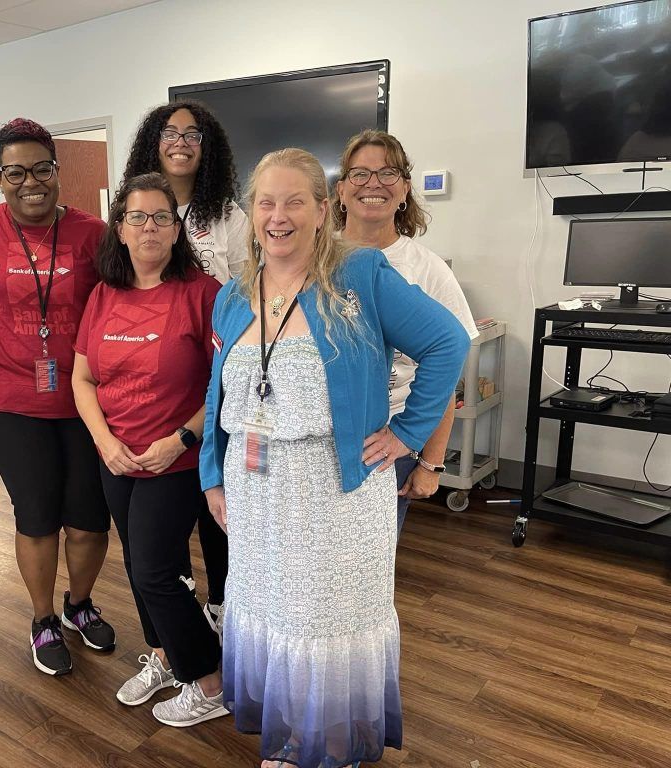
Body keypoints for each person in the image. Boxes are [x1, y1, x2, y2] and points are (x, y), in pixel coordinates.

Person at [200, 148, 469, 767]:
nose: (278, 215)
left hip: (337, 495)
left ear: (324, 210)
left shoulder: (361, 275)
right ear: (251, 212)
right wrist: (213, 474)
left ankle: (333, 746)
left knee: (325, 623)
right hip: (257, 491)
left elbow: (447, 342)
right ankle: (295, 735)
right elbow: (221, 391)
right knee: (275, 615)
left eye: (295, 200)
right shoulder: (235, 295)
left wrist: (410, 434)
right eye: (266, 202)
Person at [0, 118, 115, 677]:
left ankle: (79, 606)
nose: (30, 181)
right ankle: (42, 620)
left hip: (88, 401)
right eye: (16, 172)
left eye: (41, 169)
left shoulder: (92, 233)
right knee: (36, 516)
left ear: (57, 171)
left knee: (88, 519)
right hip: (9, 401)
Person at [72, 172, 225, 726]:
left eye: (162, 216)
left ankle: (210, 679)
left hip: (178, 457)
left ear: (177, 227)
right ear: (120, 228)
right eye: (137, 216)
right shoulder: (103, 295)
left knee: (156, 570)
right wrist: (105, 441)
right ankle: (163, 656)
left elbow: (224, 385)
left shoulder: (203, 293)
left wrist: (180, 438)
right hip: (118, 456)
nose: (150, 227)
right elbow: (82, 379)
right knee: (139, 562)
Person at [122, 99, 250, 634]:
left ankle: (222, 606)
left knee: (215, 502)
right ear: (154, 142)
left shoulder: (231, 217)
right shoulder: (133, 210)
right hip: (159, 385)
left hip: (217, 377)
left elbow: (249, 294)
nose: (180, 142)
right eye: (169, 133)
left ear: (207, 145)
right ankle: (179, 604)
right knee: (165, 513)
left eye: (192, 133)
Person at [330, 129, 478, 532]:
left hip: (387, 442)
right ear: (341, 190)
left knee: (367, 570)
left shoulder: (428, 270)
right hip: (322, 438)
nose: (373, 183)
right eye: (360, 174)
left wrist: (429, 461)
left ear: (405, 190)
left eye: (388, 173)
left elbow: (446, 372)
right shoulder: (314, 258)